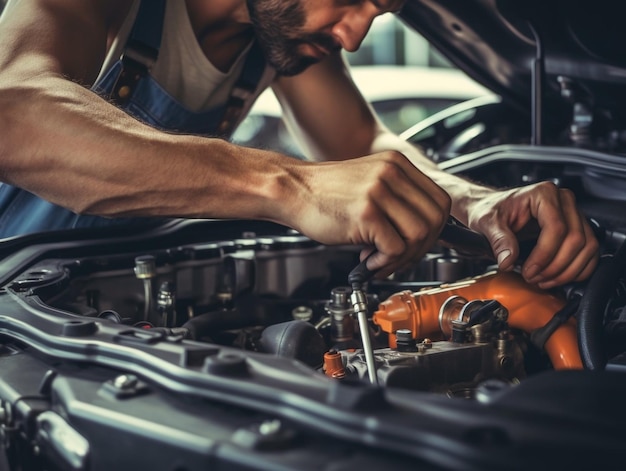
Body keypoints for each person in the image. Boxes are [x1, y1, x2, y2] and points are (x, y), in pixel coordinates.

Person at [0, 0, 598, 289]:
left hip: (87, 304)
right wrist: (286, 184)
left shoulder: (276, 34)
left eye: (378, 9)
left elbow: (360, 141)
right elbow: (15, 116)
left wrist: (473, 201)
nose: (357, 33)